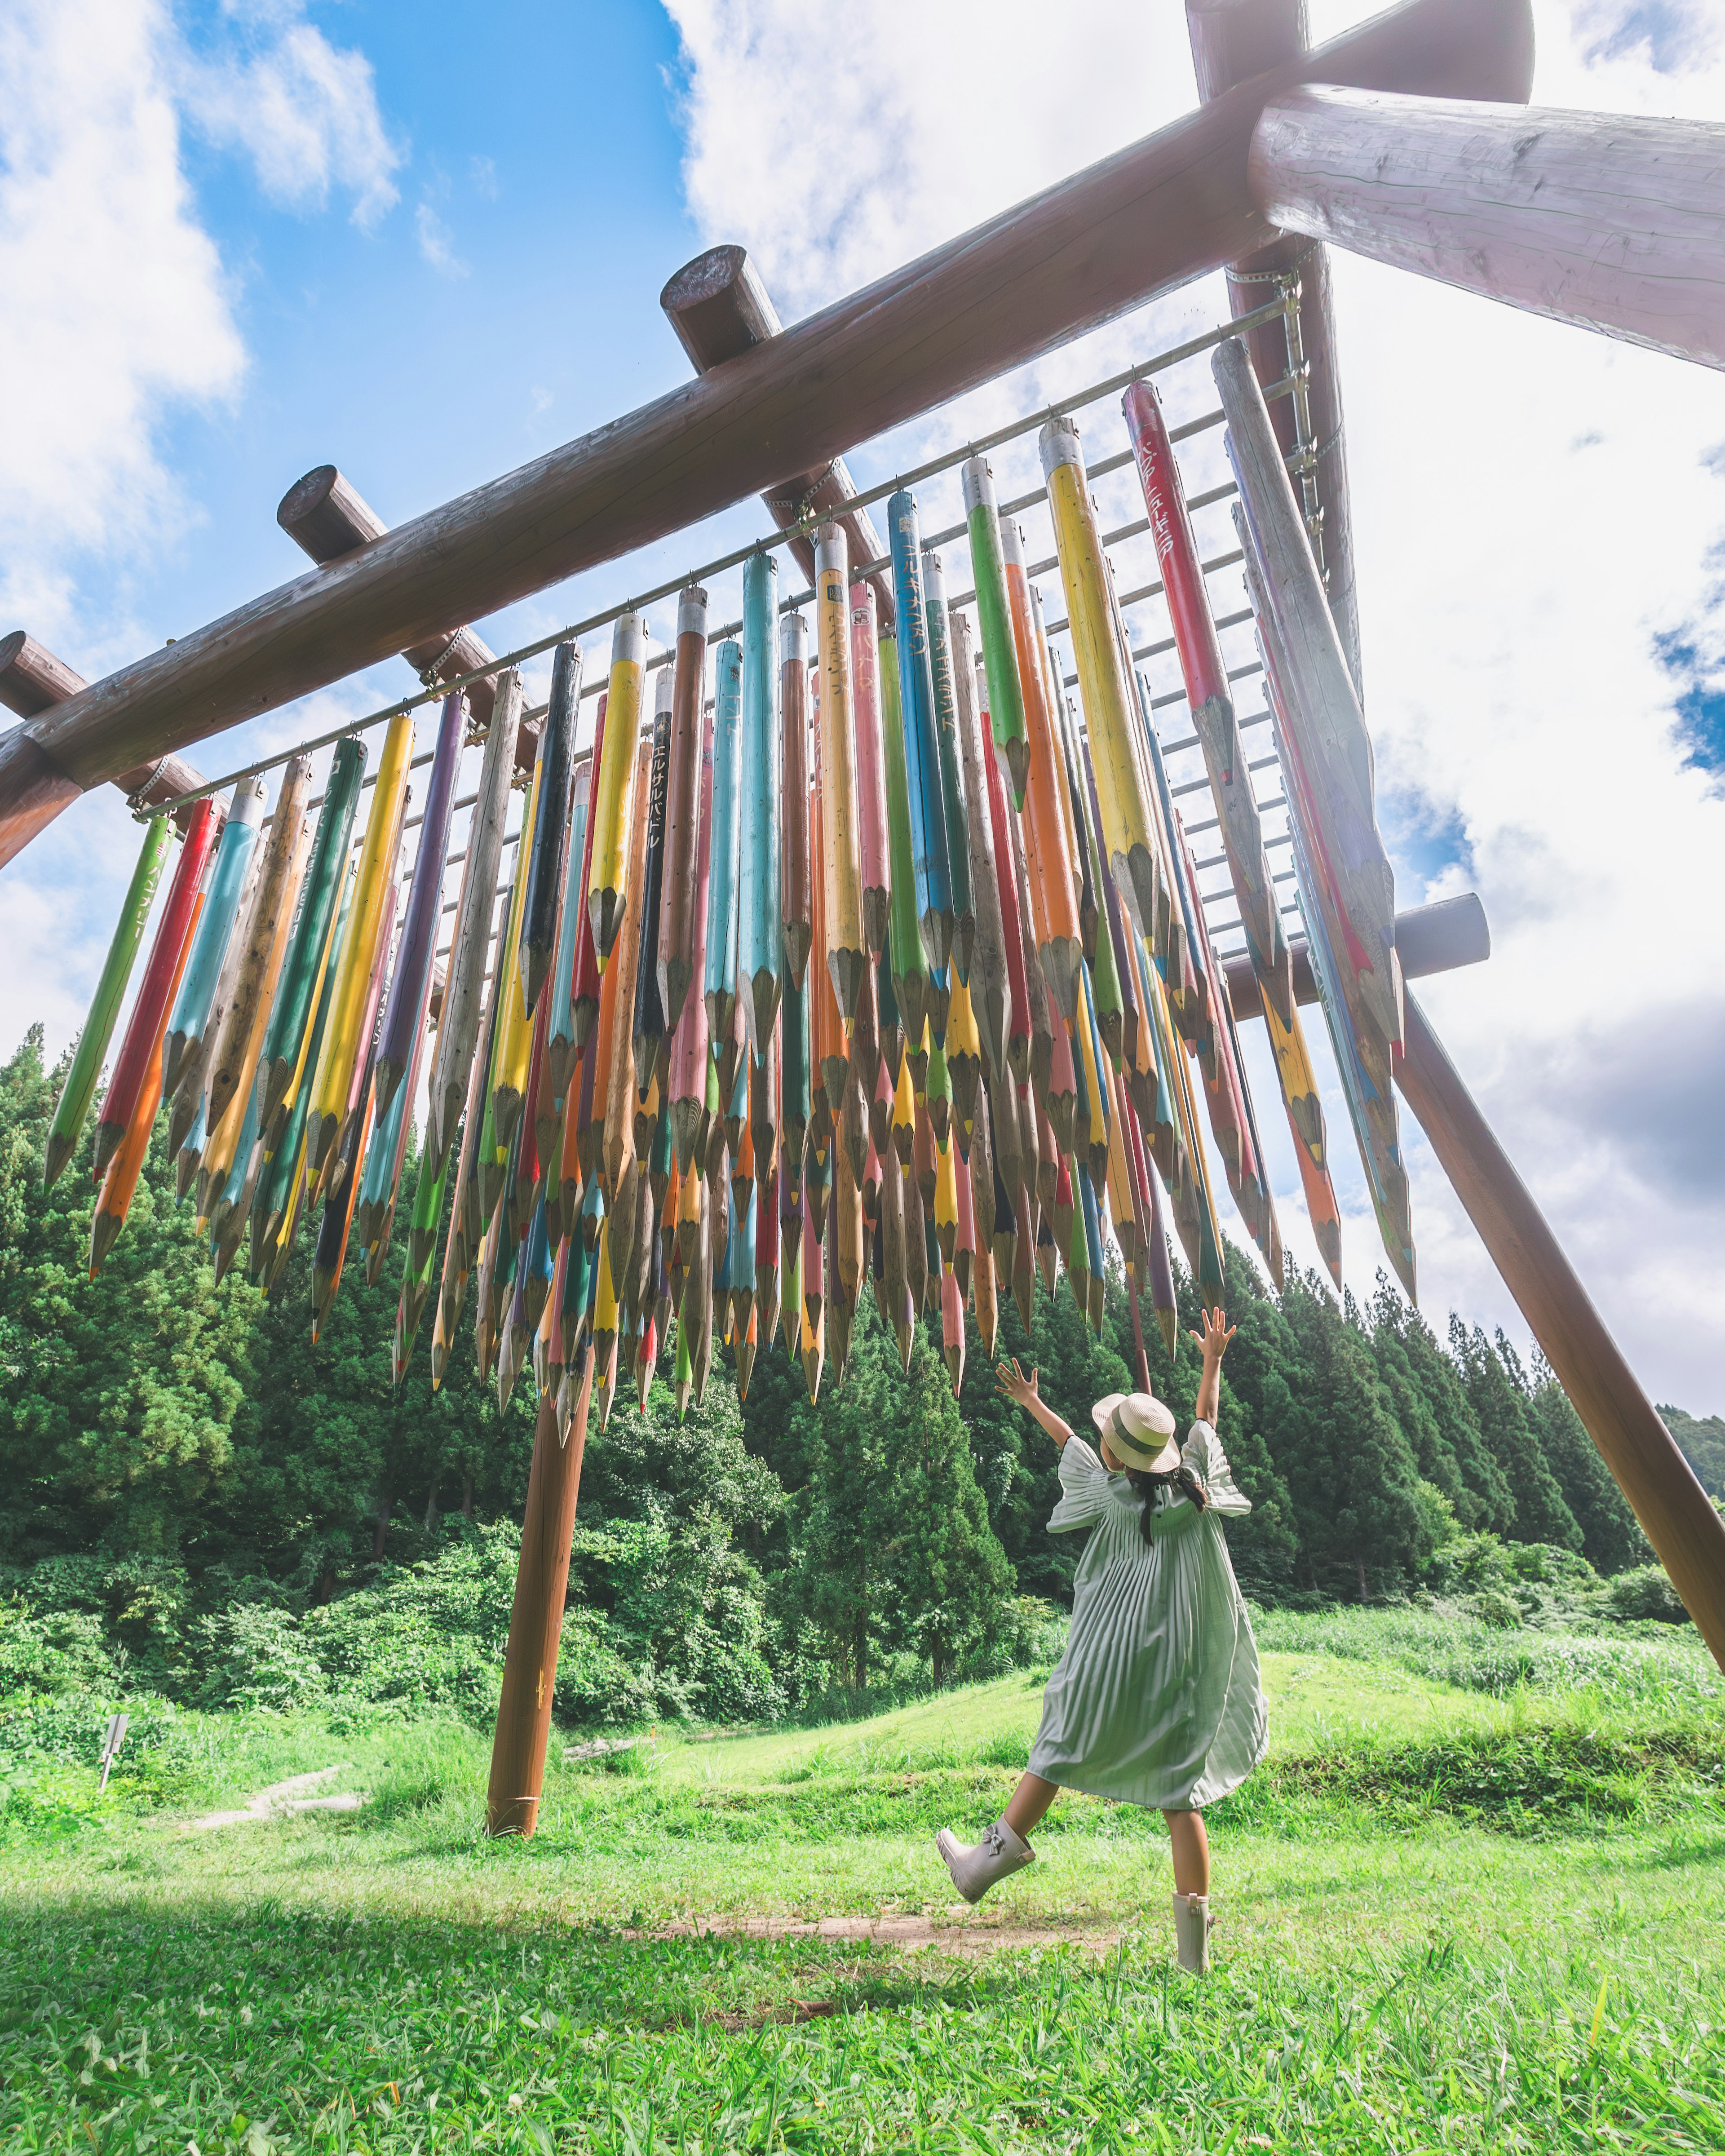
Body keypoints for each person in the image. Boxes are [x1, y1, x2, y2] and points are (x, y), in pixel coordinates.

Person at [934, 1308, 1267, 1974]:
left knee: (1057, 1746)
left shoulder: (1112, 1498)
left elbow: (1071, 1446)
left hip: (1109, 1655)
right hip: (1179, 1663)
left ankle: (980, 1868)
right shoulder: (1198, 1487)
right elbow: (1207, 1419)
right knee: (1182, 1796)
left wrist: (1032, 1401)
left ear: (1117, 1454)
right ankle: (1194, 1958)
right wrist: (1213, 1360)